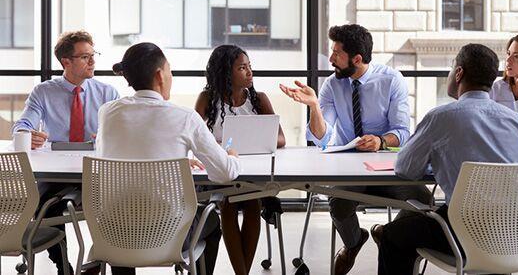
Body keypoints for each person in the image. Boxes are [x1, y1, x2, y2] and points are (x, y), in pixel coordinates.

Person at [372, 44, 518, 275]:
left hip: (464, 236)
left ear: (459, 73)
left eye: (452, 70)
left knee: (392, 236)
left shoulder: (440, 118)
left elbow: (405, 169)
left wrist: (438, 160)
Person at [280, 24, 430, 275]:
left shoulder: (391, 80)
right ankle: (353, 243)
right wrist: (315, 106)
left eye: (337, 53)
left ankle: (389, 234)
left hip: (385, 166)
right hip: (349, 165)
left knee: (423, 200)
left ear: (357, 59)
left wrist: (381, 141)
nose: (331, 59)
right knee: (338, 204)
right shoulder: (331, 85)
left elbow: (402, 131)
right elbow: (321, 139)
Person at [96, 42, 241, 275]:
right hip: (169, 235)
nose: (171, 76)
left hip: (114, 235)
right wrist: (231, 156)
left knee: (122, 217)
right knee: (211, 219)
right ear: (159, 75)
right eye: (170, 70)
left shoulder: (107, 112)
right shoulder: (184, 116)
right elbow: (224, 173)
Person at [12, 30, 119, 275]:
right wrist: (29, 134)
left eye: (93, 55)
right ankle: (64, 268)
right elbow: (23, 124)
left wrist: (107, 135)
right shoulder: (43, 92)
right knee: (47, 208)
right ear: (66, 62)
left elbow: (120, 133)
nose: (92, 62)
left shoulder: (108, 93)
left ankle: (103, 260)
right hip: (56, 172)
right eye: (85, 57)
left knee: (111, 206)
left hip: (95, 172)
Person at [195, 44, 286, 275]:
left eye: (249, 66)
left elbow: (281, 139)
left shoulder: (259, 99)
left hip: (255, 172)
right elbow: (193, 136)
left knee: (253, 203)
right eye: (242, 68)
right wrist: (222, 148)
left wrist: (248, 141)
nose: (249, 72)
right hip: (221, 171)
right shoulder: (207, 99)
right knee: (228, 204)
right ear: (226, 73)